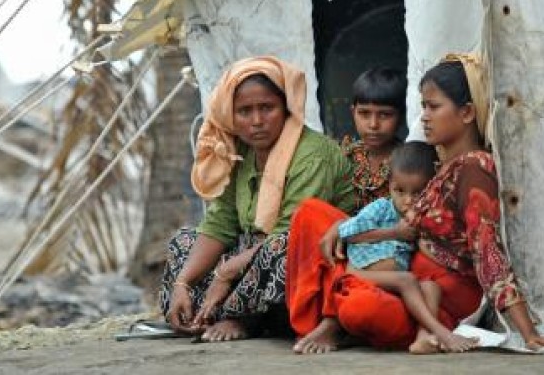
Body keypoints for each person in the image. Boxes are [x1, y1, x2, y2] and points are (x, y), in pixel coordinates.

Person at [287, 53, 544, 354]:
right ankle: (337, 313)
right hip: (397, 273)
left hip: (434, 299)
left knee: (360, 308)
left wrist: (529, 334)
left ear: (467, 112)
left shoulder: (474, 167)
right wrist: (342, 227)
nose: (424, 117)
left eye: (433, 107)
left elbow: (488, 252)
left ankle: (339, 315)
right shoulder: (439, 164)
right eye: (423, 107)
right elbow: (395, 221)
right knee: (311, 213)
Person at [160, 55, 356, 342]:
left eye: (267, 108)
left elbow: (292, 233)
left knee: (279, 247)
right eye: (245, 111)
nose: (256, 121)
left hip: (317, 259)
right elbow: (220, 223)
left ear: (286, 108)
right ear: (231, 115)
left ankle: (241, 318)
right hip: (254, 252)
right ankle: (196, 314)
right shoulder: (239, 151)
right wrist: (182, 283)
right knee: (184, 241)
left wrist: (226, 273)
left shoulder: (312, 154)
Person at [332, 141, 477, 353]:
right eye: (399, 191)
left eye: (417, 193)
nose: (407, 200)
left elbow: (429, 249)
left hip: (391, 281)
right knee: (408, 280)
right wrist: (394, 233)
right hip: (360, 273)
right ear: (389, 184)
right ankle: (441, 332)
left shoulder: (425, 217)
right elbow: (348, 233)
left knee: (430, 286)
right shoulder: (381, 208)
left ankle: (423, 338)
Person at [341, 66, 406, 209]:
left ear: (401, 117)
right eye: (364, 113)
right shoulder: (345, 156)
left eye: (385, 115)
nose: (373, 124)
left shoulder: (408, 162)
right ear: (353, 113)